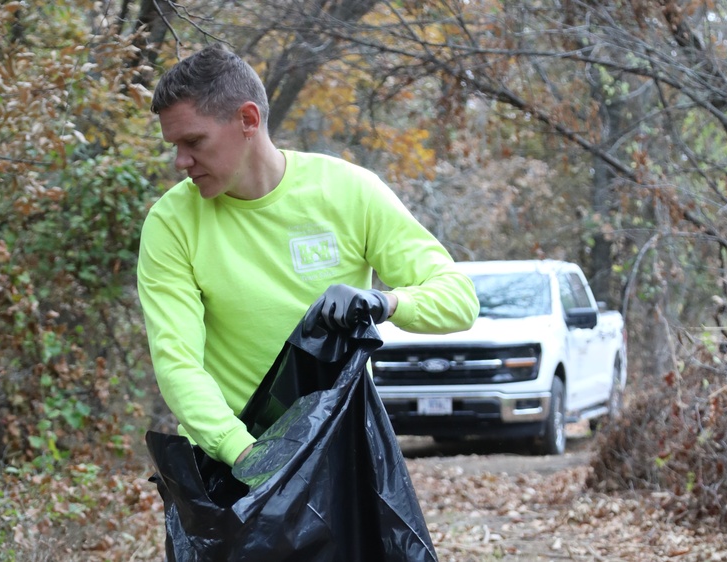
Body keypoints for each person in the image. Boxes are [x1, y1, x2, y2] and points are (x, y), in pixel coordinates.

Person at [137, 43, 479, 469]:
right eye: (174, 145)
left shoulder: (348, 191)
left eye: (193, 141)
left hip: (341, 457)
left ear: (248, 119)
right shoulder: (172, 222)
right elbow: (178, 363)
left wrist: (384, 302)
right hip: (225, 464)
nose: (180, 161)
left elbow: (460, 300)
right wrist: (247, 455)